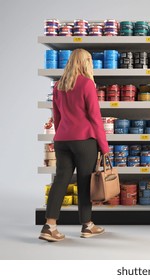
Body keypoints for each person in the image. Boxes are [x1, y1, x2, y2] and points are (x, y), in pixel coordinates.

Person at [39, 48, 110, 242]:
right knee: (85, 182)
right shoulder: (87, 84)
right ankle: (87, 226)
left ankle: (50, 225)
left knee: (60, 180)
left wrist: (62, 134)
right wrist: (104, 146)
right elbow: (95, 118)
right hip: (84, 141)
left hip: (62, 140)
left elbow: (57, 116)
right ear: (85, 62)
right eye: (89, 61)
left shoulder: (59, 85)